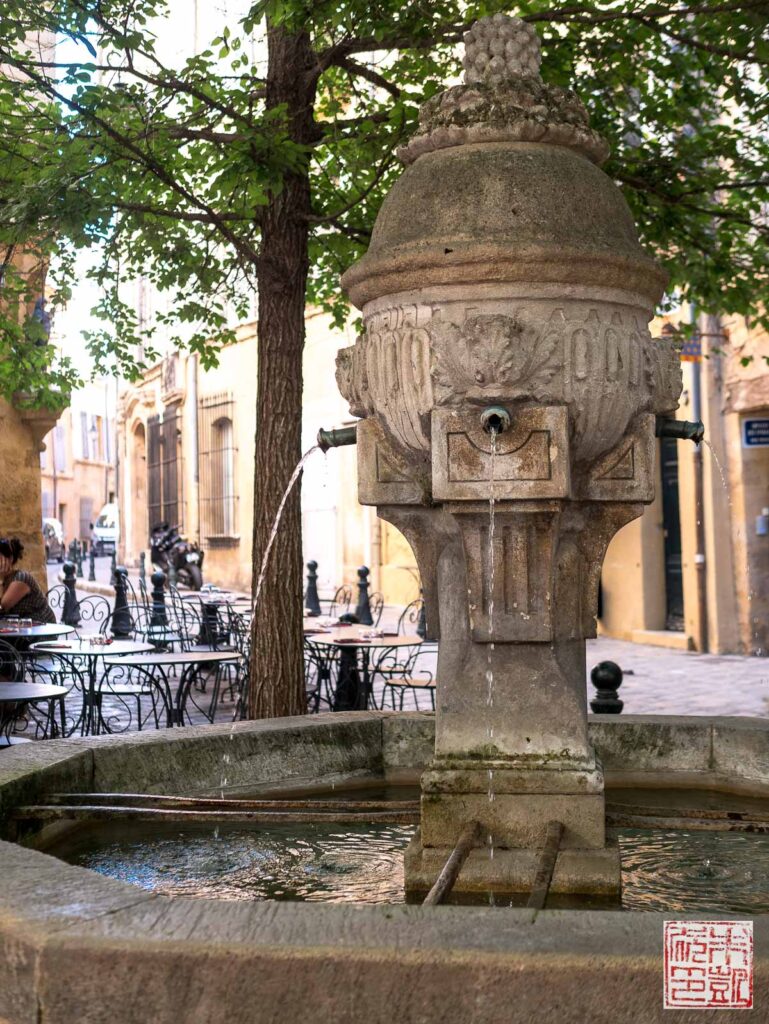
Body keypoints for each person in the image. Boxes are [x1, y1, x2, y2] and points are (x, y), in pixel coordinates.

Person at [0, 538, 56, 624]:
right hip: (20, 629)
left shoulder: (21, 578)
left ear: (10, 559)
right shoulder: (6, 580)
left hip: (40, 629)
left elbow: (3, 607)